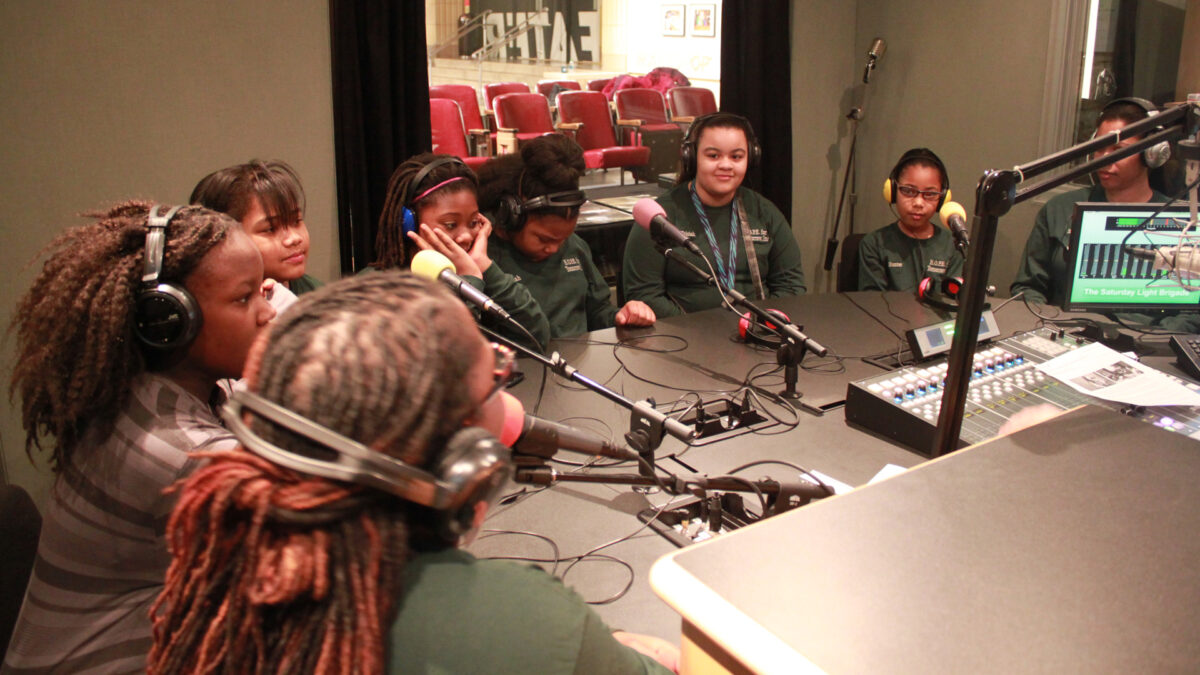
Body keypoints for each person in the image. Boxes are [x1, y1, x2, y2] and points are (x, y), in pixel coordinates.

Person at [147, 273, 678, 674]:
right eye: (494, 376)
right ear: (465, 462)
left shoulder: (228, 576)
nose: (507, 394)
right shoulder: (516, 616)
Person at [4, 202, 275, 672]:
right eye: (243, 298)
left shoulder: (148, 393)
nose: (267, 312)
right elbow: (339, 524)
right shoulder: (176, 451)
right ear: (168, 319)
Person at [622, 113, 806, 317]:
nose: (726, 165)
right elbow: (644, 295)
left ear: (750, 158)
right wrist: (697, 330)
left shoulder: (765, 212)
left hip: (756, 334)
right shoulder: (660, 217)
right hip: (685, 340)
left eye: (736, 156)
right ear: (692, 157)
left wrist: (760, 325)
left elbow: (791, 286)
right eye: (713, 156)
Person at [477, 134, 655, 337]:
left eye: (562, 238)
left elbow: (597, 312)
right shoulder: (484, 259)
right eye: (543, 239)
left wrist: (620, 317)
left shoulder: (575, 247)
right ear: (510, 215)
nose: (554, 248)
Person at [372, 152, 551, 349]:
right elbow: (454, 360)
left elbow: (536, 339)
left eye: (474, 222)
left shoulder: (480, 269)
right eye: (450, 224)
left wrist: (487, 270)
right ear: (410, 224)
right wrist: (468, 282)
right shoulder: (380, 291)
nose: (466, 236)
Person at [1011, 98, 1172, 307]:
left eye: (1117, 150)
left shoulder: (1179, 222)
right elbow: (1028, 288)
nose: (1103, 158)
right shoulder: (1059, 210)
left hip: (1147, 336)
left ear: (1150, 155)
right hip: (1067, 331)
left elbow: (1190, 313)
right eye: (1100, 148)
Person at [190, 159, 324, 296]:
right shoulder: (206, 306)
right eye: (270, 229)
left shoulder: (320, 297)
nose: (295, 238)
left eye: (296, 221)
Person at [858, 148, 964, 292]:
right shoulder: (874, 244)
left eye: (930, 194)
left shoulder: (953, 246)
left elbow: (953, 302)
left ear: (942, 198)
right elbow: (871, 304)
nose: (918, 203)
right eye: (908, 191)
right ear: (893, 191)